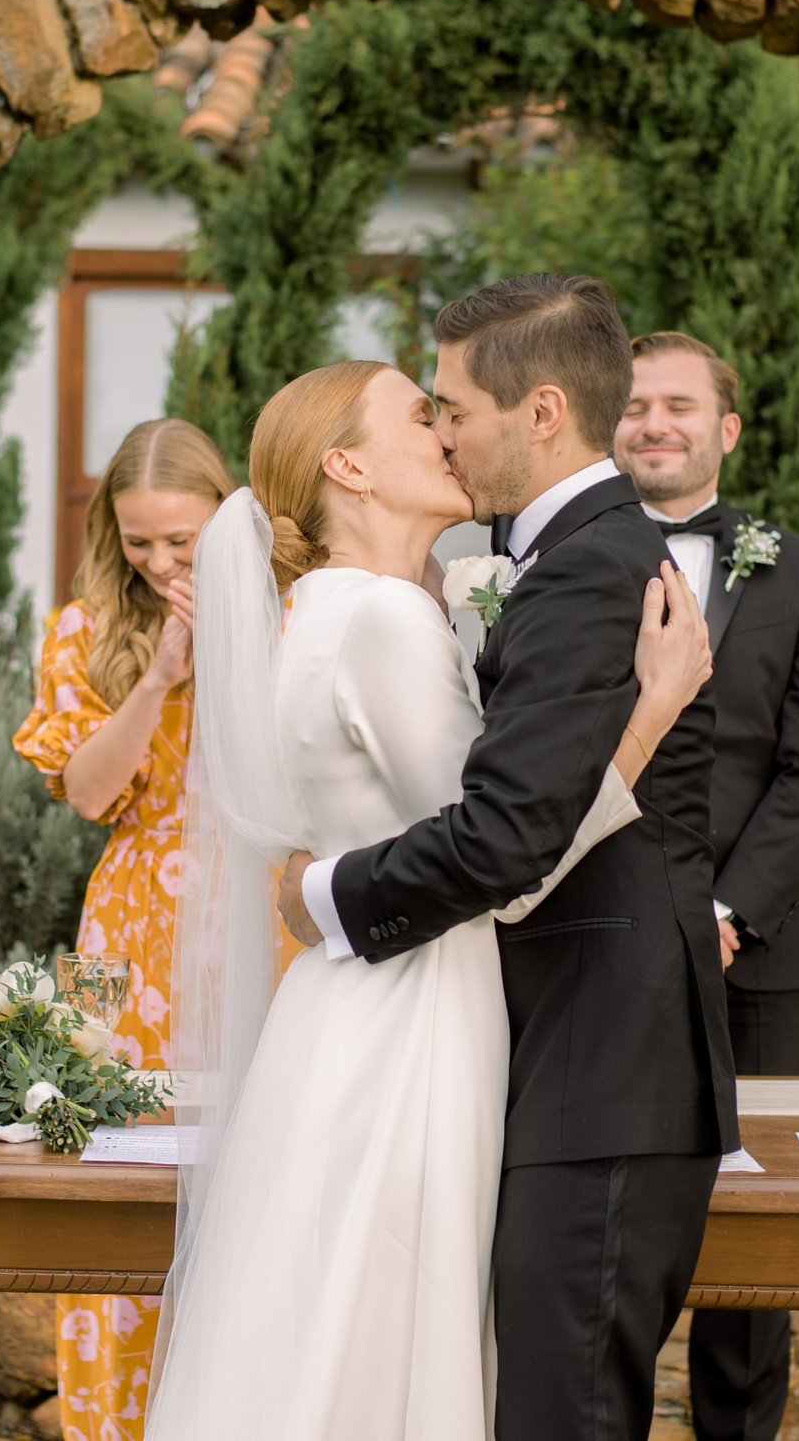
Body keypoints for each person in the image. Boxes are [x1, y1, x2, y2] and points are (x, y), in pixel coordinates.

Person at [150, 351, 714, 1440]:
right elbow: (504, 867)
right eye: (423, 415)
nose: (448, 433)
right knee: (385, 1329)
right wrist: (651, 712)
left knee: (321, 1330)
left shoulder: (313, 614)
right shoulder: (383, 621)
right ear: (348, 465)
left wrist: (316, 894)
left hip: (340, 1010)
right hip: (412, 1016)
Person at [616, 332, 799, 1441]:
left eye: (676, 403)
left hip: (750, 953)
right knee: (587, 1215)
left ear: (726, 429)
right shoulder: (550, 561)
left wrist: (721, 913)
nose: (651, 422)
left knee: (750, 1230)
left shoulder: (796, 568)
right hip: (592, 936)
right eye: (632, 406)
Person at [12, 416, 233, 1441]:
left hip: (260, 915)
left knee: (253, 1177)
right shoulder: (84, 627)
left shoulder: (289, 607)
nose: (157, 560)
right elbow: (90, 793)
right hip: (135, 926)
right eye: (138, 539)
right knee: (126, 1183)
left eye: (180, 540)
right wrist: (158, 677)